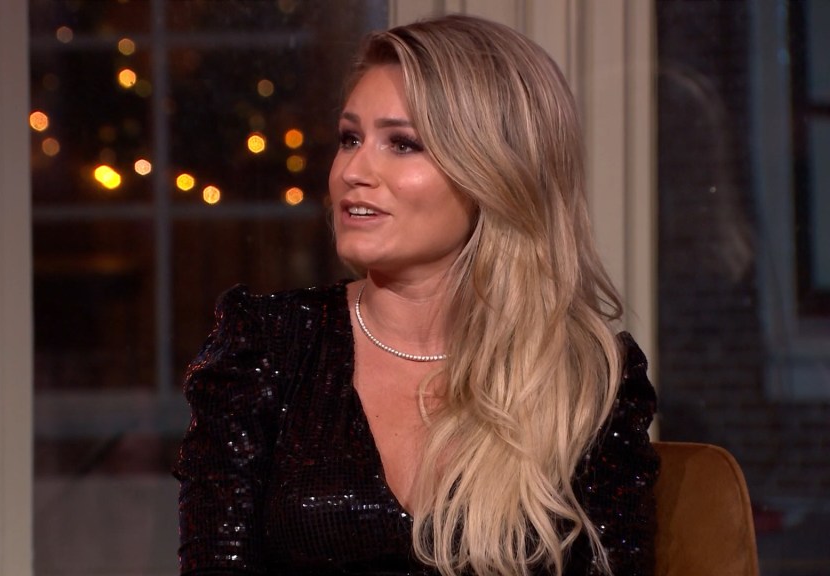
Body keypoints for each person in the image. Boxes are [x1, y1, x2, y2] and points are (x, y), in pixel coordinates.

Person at [174, 14, 658, 576]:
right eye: (350, 139)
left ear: (496, 172)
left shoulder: (586, 377)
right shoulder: (263, 348)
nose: (353, 171)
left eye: (402, 144)